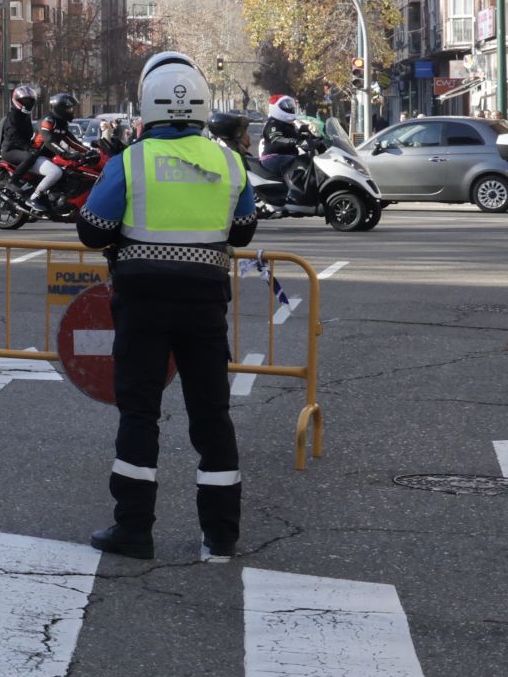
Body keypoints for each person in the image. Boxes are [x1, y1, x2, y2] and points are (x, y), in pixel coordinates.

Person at [78, 50, 255, 561]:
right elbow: (243, 231)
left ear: (147, 105)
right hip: (204, 306)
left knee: (139, 414)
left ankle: (133, 529)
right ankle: (221, 534)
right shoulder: (228, 160)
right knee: (212, 417)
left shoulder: (129, 161)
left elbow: (92, 231)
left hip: (142, 303)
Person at [28, 93, 90, 214]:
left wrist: (89, 152)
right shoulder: (48, 121)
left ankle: (58, 197)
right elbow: (49, 141)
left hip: (49, 158)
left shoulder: (62, 123)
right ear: (60, 108)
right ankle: (34, 197)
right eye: (69, 108)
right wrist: (67, 154)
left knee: (71, 170)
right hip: (35, 156)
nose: (72, 111)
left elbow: (73, 142)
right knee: (55, 172)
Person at [258, 95, 311, 206]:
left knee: (307, 160)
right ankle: (293, 195)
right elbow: (277, 140)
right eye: (286, 106)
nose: (289, 108)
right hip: (272, 157)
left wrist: (312, 138)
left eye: (290, 105)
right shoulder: (273, 124)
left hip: (284, 156)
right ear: (276, 108)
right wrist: (297, 142)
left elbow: (298, 138)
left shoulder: (288, 124)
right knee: (298, 162)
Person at [0, 85, 38, 174]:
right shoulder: (13, 116)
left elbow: (29, 134)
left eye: (31, 101)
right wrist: (28, 148)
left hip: (21, 148)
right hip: (10, 150)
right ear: (17, 100)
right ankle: (14, 181)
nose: (28, 103)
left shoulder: (25, 116)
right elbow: (13, 136)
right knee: (29, 157)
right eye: (25, 101)